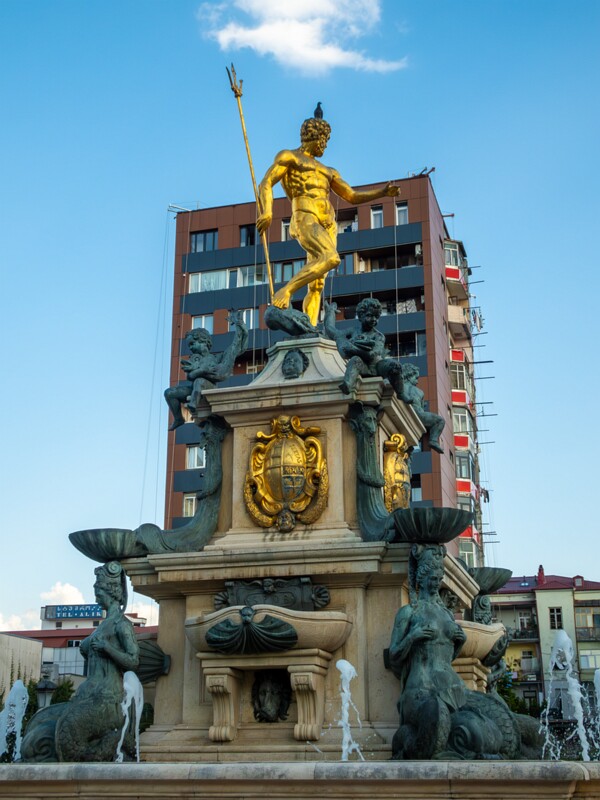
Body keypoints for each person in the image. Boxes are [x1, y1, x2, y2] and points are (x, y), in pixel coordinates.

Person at [257, 111, 400, 326]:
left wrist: (382, 192)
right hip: (305, 215)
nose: (325, 145)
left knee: (317, 284)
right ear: (313, 137)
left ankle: (310, 327)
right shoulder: (290, 157)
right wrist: (268, 211)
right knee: (331, 258)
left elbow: (352, 195)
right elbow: (266, 183)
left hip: (328, 223)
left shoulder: (329, 171)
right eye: (324, 140)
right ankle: (286, 290)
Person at [164, 311, 248, 429]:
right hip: (193, 389)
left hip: (208, 387)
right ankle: (179, 418)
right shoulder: (195, 358)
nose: (191, 348)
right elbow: (190, 376)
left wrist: (241, 329)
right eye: (190, 346)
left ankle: (193, 403)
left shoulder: (215, 358)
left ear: (204, 341)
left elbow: (235, 348)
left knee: (200, 381)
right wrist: (202, 371)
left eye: (193, 344)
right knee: (169, 393)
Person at [323, 297, 404, 398]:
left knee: (395, 366)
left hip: (377, 367)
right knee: (355, 360)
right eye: (370, 316)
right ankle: (347, 384)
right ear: (361, 316)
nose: (374, 319)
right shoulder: (353, 331)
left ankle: (401, 393)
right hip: (363, 367)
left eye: (376, 317)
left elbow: (372, 355)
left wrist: (353, 349)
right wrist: (330, 312)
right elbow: (332, 331)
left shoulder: (378, 336)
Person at [400, 363, 445, 453]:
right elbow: (421, 407)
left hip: (404, 411)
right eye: (416, 378)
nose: (417, 381)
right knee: (440, 420)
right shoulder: (419, 391)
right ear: (409, 376)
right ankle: (433, 440)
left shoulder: (399, 385)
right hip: (417, 413)